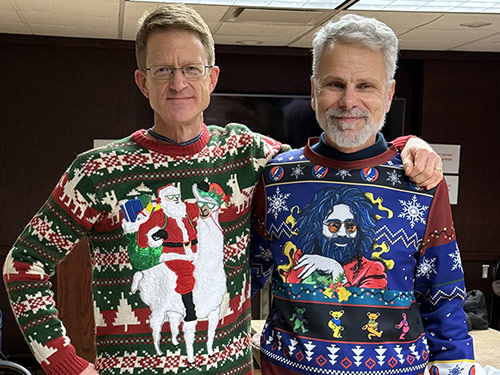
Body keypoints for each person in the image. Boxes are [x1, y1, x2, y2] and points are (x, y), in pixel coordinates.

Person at [2, 4, 442, 375]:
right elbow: (23, 267)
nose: (179, 83)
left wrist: (404, 147)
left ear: (211, 78)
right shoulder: (97, 171)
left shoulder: (248, 153)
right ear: (142, 82)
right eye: (163, 70)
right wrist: (64, 361)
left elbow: (329, 164)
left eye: (191, 68)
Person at [250, 13, 474, 375]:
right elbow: (243, 279)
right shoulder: (276, 177)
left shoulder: (420, 179)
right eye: (335, 84)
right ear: (313, 91)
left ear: (388, 94)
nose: (348, 101)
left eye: (366, 86)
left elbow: (443, 297)